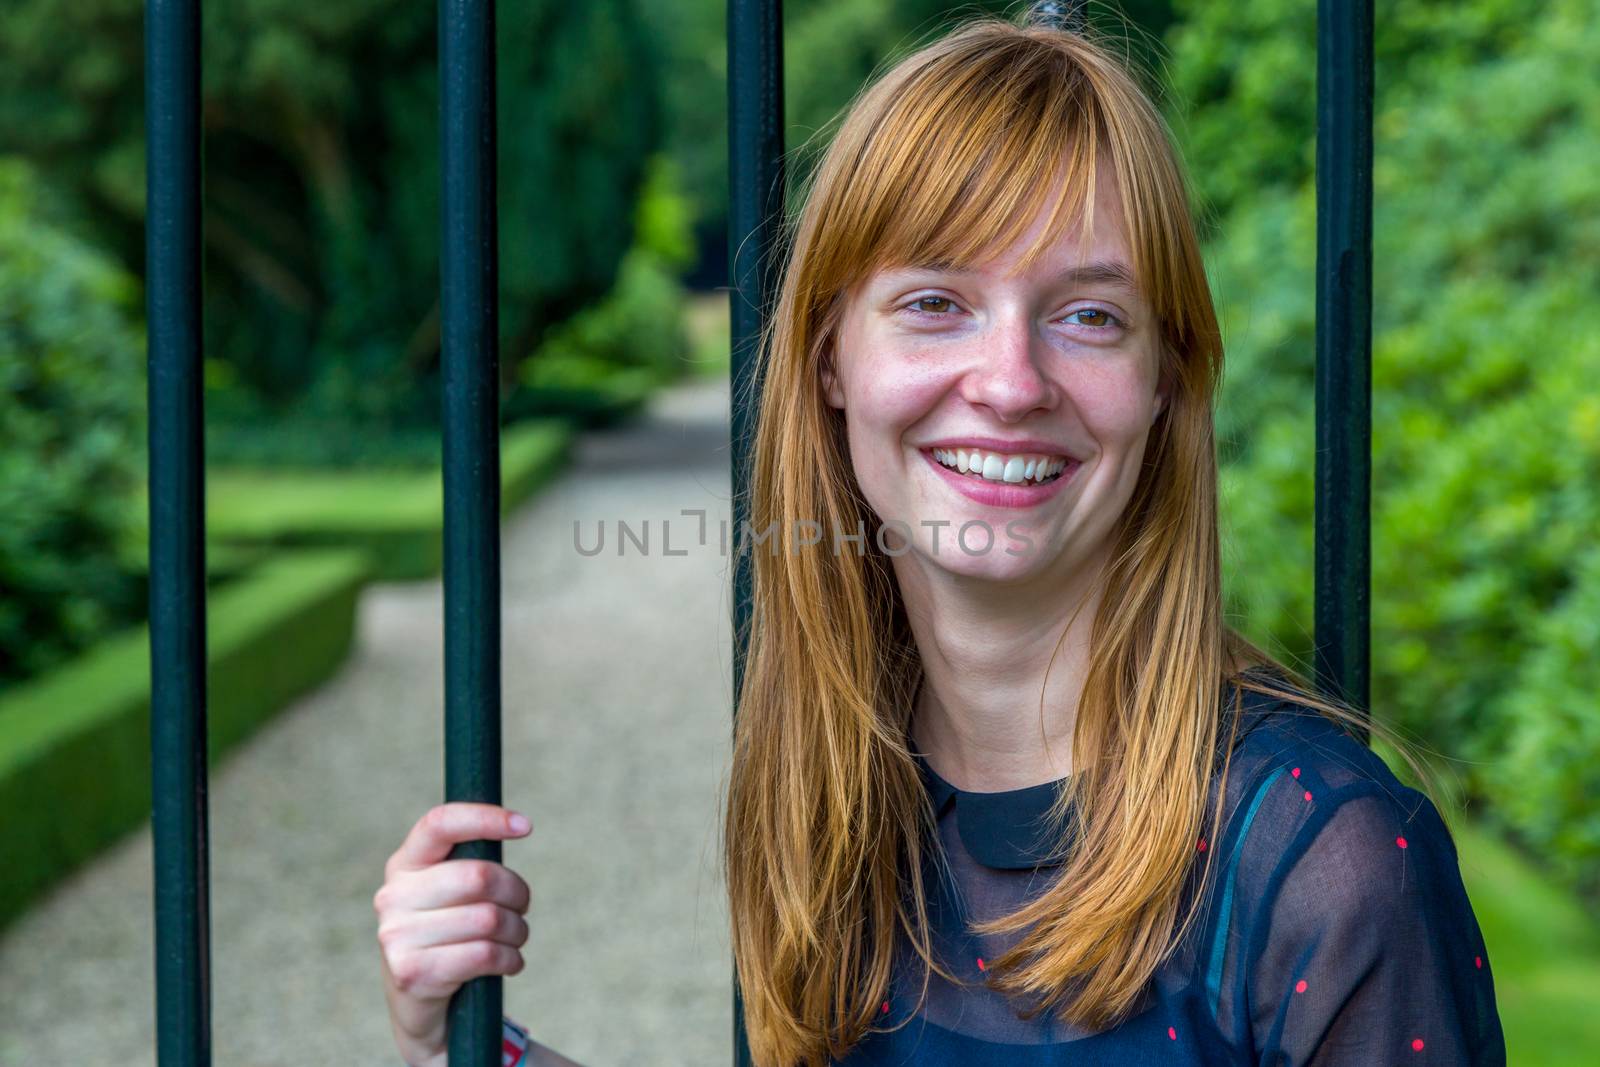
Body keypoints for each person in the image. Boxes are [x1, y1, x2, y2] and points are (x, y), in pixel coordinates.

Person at [374, 8, 1507, 1066]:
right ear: (828, 359)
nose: (1009, 382)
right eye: (935, 302)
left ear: (1165, 380)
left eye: (1088, 314)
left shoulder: (1326, 864)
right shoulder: (842, 795)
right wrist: (473, 1040)